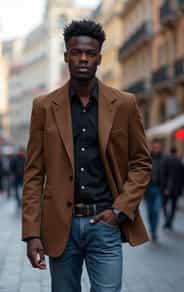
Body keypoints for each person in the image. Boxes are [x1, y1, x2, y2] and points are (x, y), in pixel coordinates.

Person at [22, 20, 152, 292]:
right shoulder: (44, 107)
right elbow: (34, 174)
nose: (83, 58)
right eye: (76, 52)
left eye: (90, 53)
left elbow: (141, 162)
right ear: (66, 56)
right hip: (60, 226)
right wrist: (32, 233)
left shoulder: (124, 104)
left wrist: (119, 211)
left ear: (99, 58)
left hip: (105, 223)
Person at [144, 139, 165, 242]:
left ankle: (154, 231)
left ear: (160, 147)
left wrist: (166, 188)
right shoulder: (147, 159)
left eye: (158, 147)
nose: (156, 149)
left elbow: (168, 174)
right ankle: (152, 229)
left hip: (159, 189)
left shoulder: (164, 159)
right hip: (148, 189)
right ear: (152, 147)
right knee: (149, 212)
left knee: (156, 211)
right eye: (155, 147)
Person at [162, 147, 184, 229]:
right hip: (176, 189)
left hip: (167, 189)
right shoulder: (179, 162)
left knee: (164, 205)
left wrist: (165, 187)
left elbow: (164, 175)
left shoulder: (166, 161)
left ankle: (167, 220)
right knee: (173, 206)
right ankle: (170, 221)